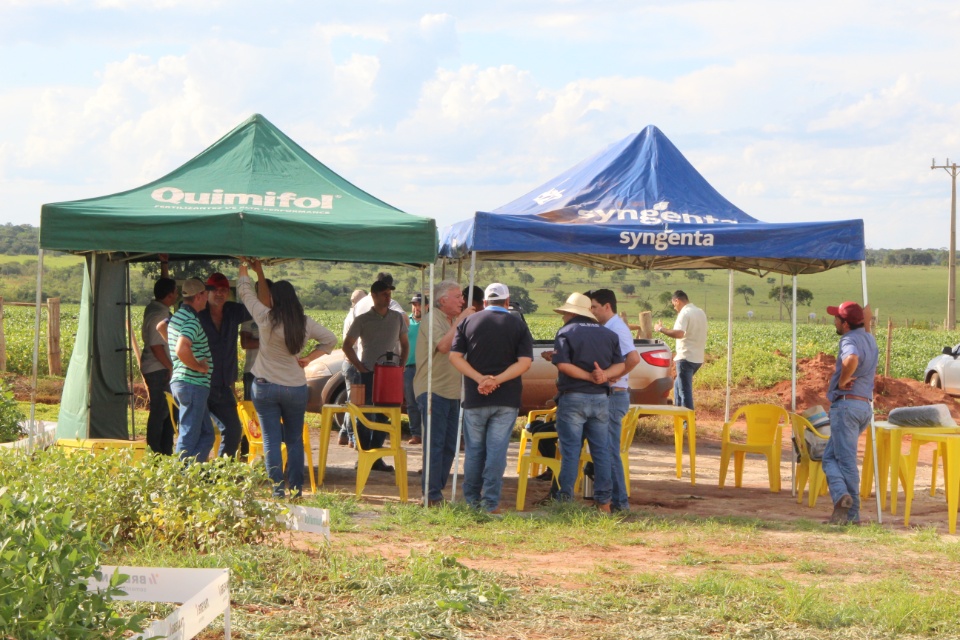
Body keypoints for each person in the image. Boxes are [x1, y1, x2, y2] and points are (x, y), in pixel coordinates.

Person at [237, 259, 337, 499]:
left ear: (274, 300)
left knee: (271, 440)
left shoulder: (265, 318)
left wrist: (244, 267)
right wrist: (309, 359)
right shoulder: (304, 323)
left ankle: (277, 490)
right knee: (294, 441)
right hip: (295, 388)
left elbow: (244, 291)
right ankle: (296, 489)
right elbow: (331, 340)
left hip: (265, 387)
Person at [449, 283, 533, 513]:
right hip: (506, 398)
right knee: (497, 451)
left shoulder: (468, 322)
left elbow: (455, 357)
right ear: (507, 302)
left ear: (484, 303)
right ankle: (490, 503)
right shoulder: (517, 324)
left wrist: (479, 379)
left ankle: (471, 501)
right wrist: (497, 380)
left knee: (475, 451)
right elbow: (524, 363)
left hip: (475, 398)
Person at [546, 292, 624, 513]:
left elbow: (563, 365)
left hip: (573, 397)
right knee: (601, 451)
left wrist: (589, 376)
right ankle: (604, 503)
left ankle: (566, 500)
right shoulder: (608, 334)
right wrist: (604, 376)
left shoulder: (566, 332)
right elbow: (621, 365)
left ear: (571, 313)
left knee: (571, 451)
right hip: (600, 398)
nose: (563, 318)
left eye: (564, 314)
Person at [414, 281, 474, 506]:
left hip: (452, 391)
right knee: (435, 443)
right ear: (442, 300)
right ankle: (430, 494)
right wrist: (461, 320)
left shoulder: (449, 320)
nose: (462, 300)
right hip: (433, 390)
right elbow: (443, 346)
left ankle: (435, 492)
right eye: (457, 296)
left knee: (449, 445)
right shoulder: (433, 319)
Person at [342, 279, 409, 470]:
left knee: (384, 416)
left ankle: (376, 456)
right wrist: (360, 367)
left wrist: (402, 365)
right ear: (374, 296)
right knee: (363, 415)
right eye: (384, 294)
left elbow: (405, 343)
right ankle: (364, 455)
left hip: (390, 374)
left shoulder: (397, 318)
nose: (388, 298)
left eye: (389, 294)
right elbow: (347, 346)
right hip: (369, 373)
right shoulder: (362, 320)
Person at [822, 301, 877, 525]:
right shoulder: (869, 338)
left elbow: (851, 358)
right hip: (863, 406)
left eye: (837, 318)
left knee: (845, 461)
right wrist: (868, 317)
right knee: (828, 458)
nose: (834, 320)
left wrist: (843, 380)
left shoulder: (849, 339)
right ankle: (841, 497)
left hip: (846, 406)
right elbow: (866, 330)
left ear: (845, 324)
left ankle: (852, 513)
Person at [586, 289, 640, 512]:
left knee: (608, 450)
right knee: (607, 450)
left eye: (595, 307)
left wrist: (613, 375)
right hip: (612, 393)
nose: (592, 311)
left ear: (607, 306)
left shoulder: (616, 328)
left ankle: (619, 503)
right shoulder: (610, 327)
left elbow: (633, 358)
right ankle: (616, 501)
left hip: (614, 394)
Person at [198, 272, 252, 458]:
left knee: (234, 430)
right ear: (206, 292)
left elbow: (257, 306)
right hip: (199, 383)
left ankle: (221, 472)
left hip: (223, 385)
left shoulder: (232, 311)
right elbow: (167, 325)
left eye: (223, 290)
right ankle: (193, 474)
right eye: (214, 290)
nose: (219, 294)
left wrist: (252, 272)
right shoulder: (196, 311)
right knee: (201, 433)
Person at [166, 277, 216, 462]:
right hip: (192, 382)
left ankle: (192, 474)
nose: (208, 297)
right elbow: (181, 348)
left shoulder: (178, 316)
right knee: (189, 434)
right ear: (199, 296)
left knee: (206, 434)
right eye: (206, 293)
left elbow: (161, 327)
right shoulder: (192, 321)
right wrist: (199, 366)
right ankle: (181, 479)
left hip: (185, 382)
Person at [141, 256, 176, 455]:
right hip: (158, 368)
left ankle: (164, 450)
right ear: (170, 296)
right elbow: (156, 345)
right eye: (175, 292)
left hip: (159, 367)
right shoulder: (158, 315)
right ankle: (156, 451)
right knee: (160, 411)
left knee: (166, 411)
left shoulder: (157, 308)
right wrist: (170, 367)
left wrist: (165, 266)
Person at [654, 290, 707, 411]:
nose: (674, 307)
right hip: (697, 357)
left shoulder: (684, 313)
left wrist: (661, 329)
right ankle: (678, 417)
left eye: (674, 304)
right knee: (678, 387)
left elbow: (679, 333)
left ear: (677, 301)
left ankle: (687, 423)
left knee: (684, 392)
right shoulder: (700, 312)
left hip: (686, 357)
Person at [338, 288, 367, 447]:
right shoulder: (356, 317)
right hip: (353, 362)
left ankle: (344, 434)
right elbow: (353, 343)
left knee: (352, 400)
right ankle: (352, 437)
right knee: (355, 403)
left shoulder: (350, 315)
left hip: (348, 363)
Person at [240, 278, 272, 401]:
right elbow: (245, 343)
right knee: (251, 412)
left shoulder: (278, 316)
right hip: (252, 371)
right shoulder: (250, 314)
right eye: (258, 291)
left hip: (273, 372)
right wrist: (270, 342)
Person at [405, 292, 427, 445]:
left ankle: (427, 433)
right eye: (414, 304)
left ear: (426, 306)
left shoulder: (429, 322)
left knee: (425, 402)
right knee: (411, 402)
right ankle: (416, 433)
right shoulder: (407, 322)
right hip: (409, 367)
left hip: (425, 368)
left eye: (419, 304)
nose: (416, 308)